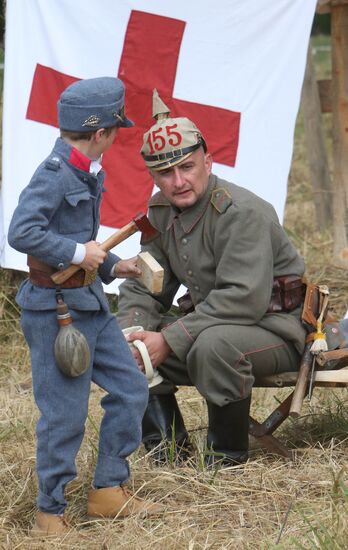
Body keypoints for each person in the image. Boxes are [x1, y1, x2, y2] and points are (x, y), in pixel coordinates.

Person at [117, 89, 307, 467]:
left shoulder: (241, 213)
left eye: (186, 166)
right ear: (153, 177)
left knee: (214, 347)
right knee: (119, 349)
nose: (178, 181)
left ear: (208, 160)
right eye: (165, 173)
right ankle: (171, 458)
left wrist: (168, 339)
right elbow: (145, 283)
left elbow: (244, 298)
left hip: (275, 327)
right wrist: (132, 333)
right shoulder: (159, 212)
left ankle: (226, 460)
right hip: (211, 325)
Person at [8, 77, 163, 537]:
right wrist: (78, 256)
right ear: (100, 134)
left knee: (133, 387)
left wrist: (118, 268)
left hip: (89, 306)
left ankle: (107, 491)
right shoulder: (55, 174)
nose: (116, 136)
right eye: (115, 129)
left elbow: (86, 244)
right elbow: (22, 232)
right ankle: (49, 515)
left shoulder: (87, 170)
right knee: (65, 415)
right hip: (57, 313)